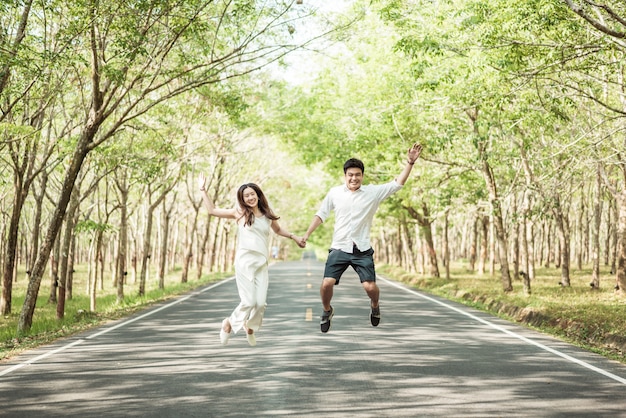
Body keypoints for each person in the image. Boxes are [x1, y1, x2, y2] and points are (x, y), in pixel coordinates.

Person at [302, 143, 423, 333]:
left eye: (357, 174)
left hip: (361, 249)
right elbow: (321, 214)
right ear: (345, 176)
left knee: (370, 287)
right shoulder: (335, 193)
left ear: (362, 176)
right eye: (350, 175)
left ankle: (375, 305)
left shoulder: (372, 193)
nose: (354, 178)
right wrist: (307, 234)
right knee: (326, 283)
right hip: (339, 247)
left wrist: (410, 162)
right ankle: (327, 310)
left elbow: (398, 183)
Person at [198, 174, 306, 346]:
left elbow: (278, 230)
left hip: (262, 264)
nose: (250, 198)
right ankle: (228, 324)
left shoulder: (266, 215)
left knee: (260, 303)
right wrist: (203, 190)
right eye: (245, 196)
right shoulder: (239, 213)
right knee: (248, 302)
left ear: (258, 194)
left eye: (252, 194)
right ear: (242, 199)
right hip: (245, 263)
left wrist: (294, 237)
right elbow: (212, 211)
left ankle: (250, 327)